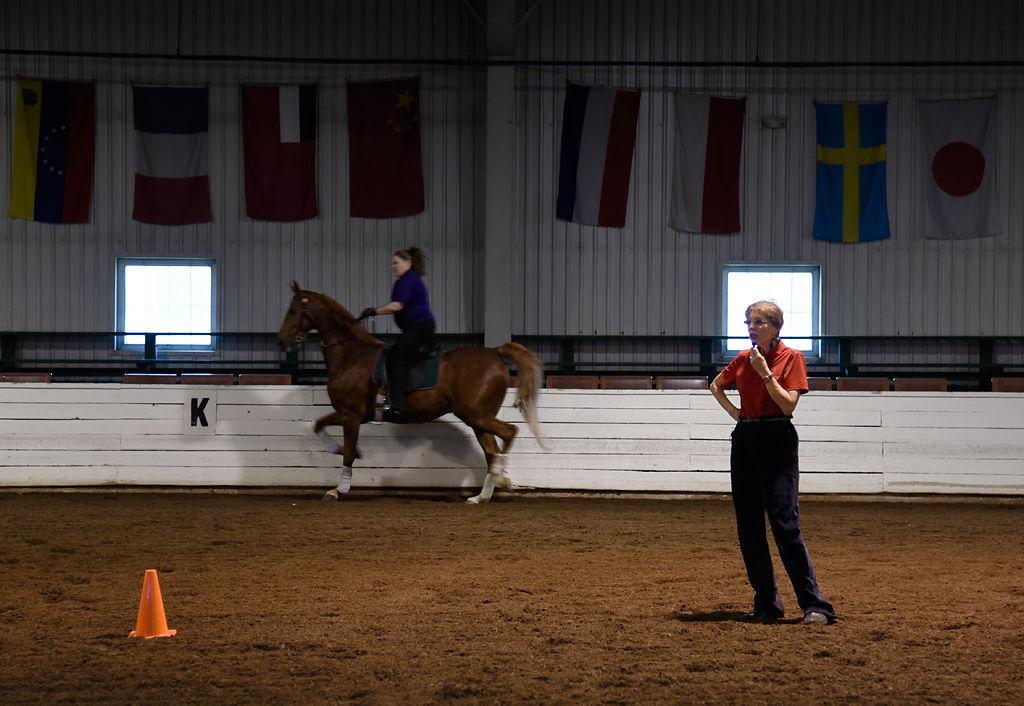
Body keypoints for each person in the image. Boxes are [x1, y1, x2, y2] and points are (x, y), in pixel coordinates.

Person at [709, 300, 837, 625]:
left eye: (759, 322)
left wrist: (765, 374)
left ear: (776, 327)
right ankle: (767, 603)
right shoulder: (741, 359)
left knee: (785, 523)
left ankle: (815, 604)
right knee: (749, 526)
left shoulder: (791, 358)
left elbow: (787, 405)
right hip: (747, 439)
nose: (752, 328)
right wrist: (735, 413)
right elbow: (715, 385)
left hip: (777, 438)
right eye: (748, 322)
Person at [360, 247, 436, 416]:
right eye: (392, 263)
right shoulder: (409, 280)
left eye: (396, 263)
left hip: (419, 327)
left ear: (408, 263)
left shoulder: (408, 280)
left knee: (395, 358)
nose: (393, 266)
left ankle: (398, 405)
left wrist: (375, 311)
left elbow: (397, 305)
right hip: (418, 327)